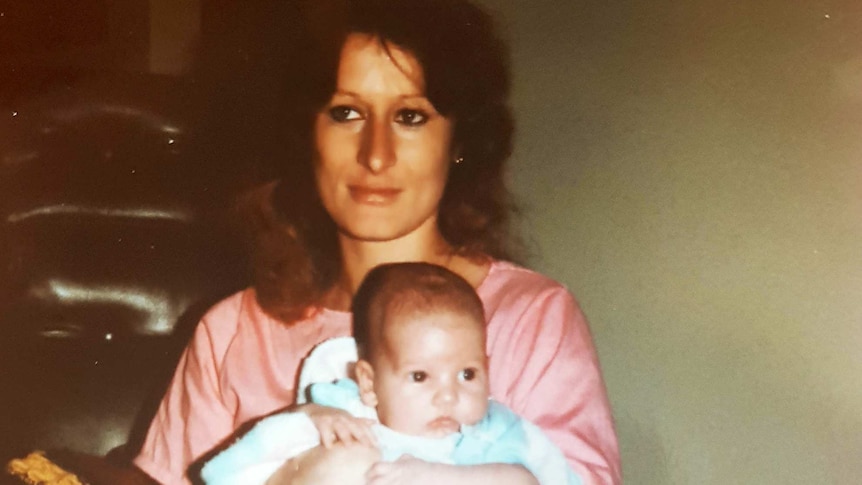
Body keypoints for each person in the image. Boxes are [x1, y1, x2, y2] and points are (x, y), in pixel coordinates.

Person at [133, 0, 621, 483]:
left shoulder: (532, 320)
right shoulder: (231, 334)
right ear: (307, 135)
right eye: (346, 113)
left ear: (459, 142)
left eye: (410, 117)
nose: (376, 155)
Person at [199, 262, 583, 485]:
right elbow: (239, 471)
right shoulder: (344, 417)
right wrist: (307, 416)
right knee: (345, 460)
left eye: (467, 374)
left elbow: (533, 481)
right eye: (420, 377)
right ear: (369, 384)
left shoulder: (493, 433)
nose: (448, 396)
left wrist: (435, 477)